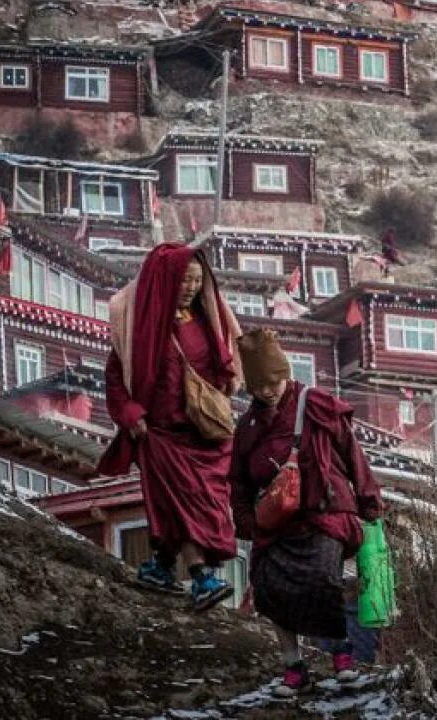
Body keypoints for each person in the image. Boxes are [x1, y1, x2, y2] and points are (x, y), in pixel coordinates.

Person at [229, 328, 383, 695]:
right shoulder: (248, 427)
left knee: (320, 580)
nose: (267, 391)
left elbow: (351, 452)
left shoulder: (314, 404)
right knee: (268, 589)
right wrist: (246, 521)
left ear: (284, 373)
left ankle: (342, 656)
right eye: (258, 387)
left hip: (324, 512)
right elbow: (238, 482)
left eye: (272, 382)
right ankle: (294, 667)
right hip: (277, 523)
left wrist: (368, 499)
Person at [100, 243, 243, 611]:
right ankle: (201, 577)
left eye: (197, 280)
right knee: (181, 505)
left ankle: (160, 567)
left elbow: (225, 369)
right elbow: (117, 378)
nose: (191, 288)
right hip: (161, 433)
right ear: (166, 280)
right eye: (184, 280)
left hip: (206, 433)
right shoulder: (141, 325)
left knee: (204, 503)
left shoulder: (208, 321)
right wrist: (131, 414)